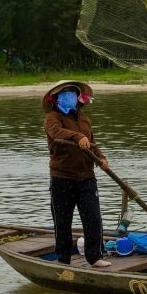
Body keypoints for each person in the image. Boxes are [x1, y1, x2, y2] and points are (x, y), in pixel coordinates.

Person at [42, 80, 111, 267]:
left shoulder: (84, 120)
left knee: (93, 219)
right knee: (63, 221)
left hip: (87, 178)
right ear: (56, 99)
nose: (69, 96)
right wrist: (77, 136)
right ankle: (63, 259)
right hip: (62, 177)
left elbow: (92, 142)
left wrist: (102, 158)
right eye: (64, 94)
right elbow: (56, 133)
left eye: (72, 93)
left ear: (78, 98)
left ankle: (95, 257)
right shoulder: (52, 118)